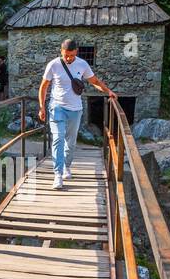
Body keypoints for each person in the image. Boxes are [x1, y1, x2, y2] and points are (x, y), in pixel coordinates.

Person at [38, 38, 115, 188]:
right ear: (61, 51)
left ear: (76, 52)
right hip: (57, 107)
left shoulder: (82, 64)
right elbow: (43, 87)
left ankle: (67, 166)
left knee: (71, 142)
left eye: (71, 55)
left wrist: (108, 91)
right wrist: (42, 107)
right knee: (58, 138)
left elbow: (95, 81)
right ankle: (58, 175)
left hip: (75, 110)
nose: (68, 58)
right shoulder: (53, 65)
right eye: (66, 55)